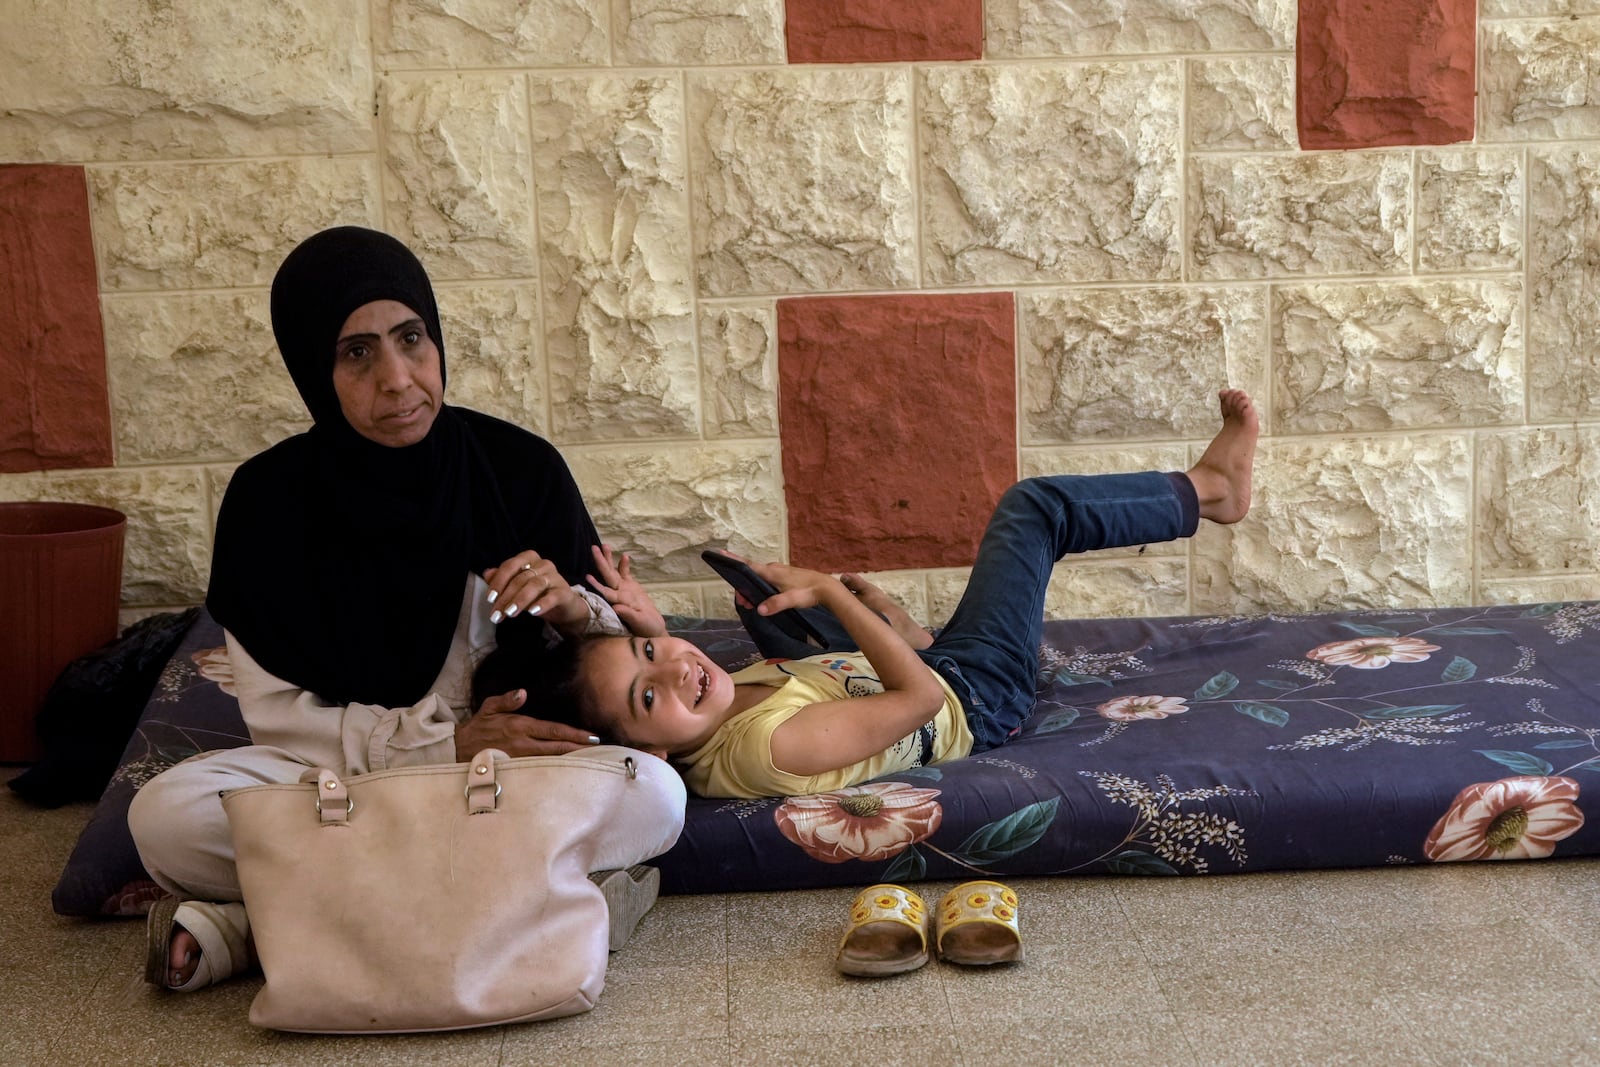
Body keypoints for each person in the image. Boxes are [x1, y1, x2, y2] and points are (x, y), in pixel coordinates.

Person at [128, 226, 675, 992]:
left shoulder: (520, 472)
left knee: (654, 793)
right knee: (165, 814)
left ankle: (258, 924)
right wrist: (435, 751)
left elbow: (621, 661)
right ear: (314, 368)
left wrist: (576, 613)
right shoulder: (267, 506)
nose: (397, 378)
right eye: (357, 353)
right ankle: (528, 904)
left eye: (411, 339)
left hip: (499, 776)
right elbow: (280, 714)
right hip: (350, 776)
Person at [474, 390, 1258, 799]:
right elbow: (919, 700)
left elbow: (683, 669)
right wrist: (832, 592)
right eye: (650, 696)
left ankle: (893, 625)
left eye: (651, 653)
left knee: (762, 611)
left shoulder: (708, 715)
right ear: (649, 753)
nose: (677, 668)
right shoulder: (765, 748)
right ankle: (1210, 492)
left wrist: (648, 627)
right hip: (970, 695)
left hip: (892, 672)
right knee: (1031, 510)